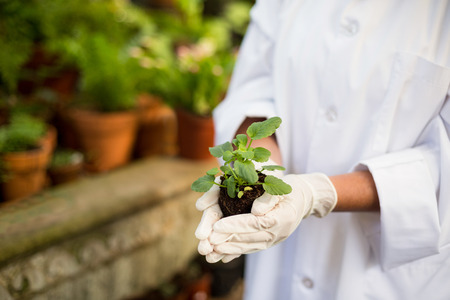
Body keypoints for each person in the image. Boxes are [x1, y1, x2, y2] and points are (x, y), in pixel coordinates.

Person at [195, 1, 450, 299]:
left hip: (385, 277)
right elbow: (254, 90)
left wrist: (317, 193)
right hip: (279, 264)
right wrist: (257, 170)